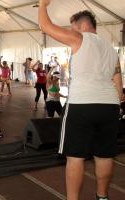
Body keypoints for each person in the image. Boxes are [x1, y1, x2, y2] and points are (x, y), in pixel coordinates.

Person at [39, 1, 124, 200]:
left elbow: (46, 27)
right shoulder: (112, 50)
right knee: (104, 155)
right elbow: (118, 82)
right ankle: (102, 197)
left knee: (75, 157)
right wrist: (117, 105)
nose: (71, 31)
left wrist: (42, 5)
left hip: (82, 104)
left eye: (72, 27)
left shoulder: (80, 38)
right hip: (110, 106)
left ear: (82, 25)